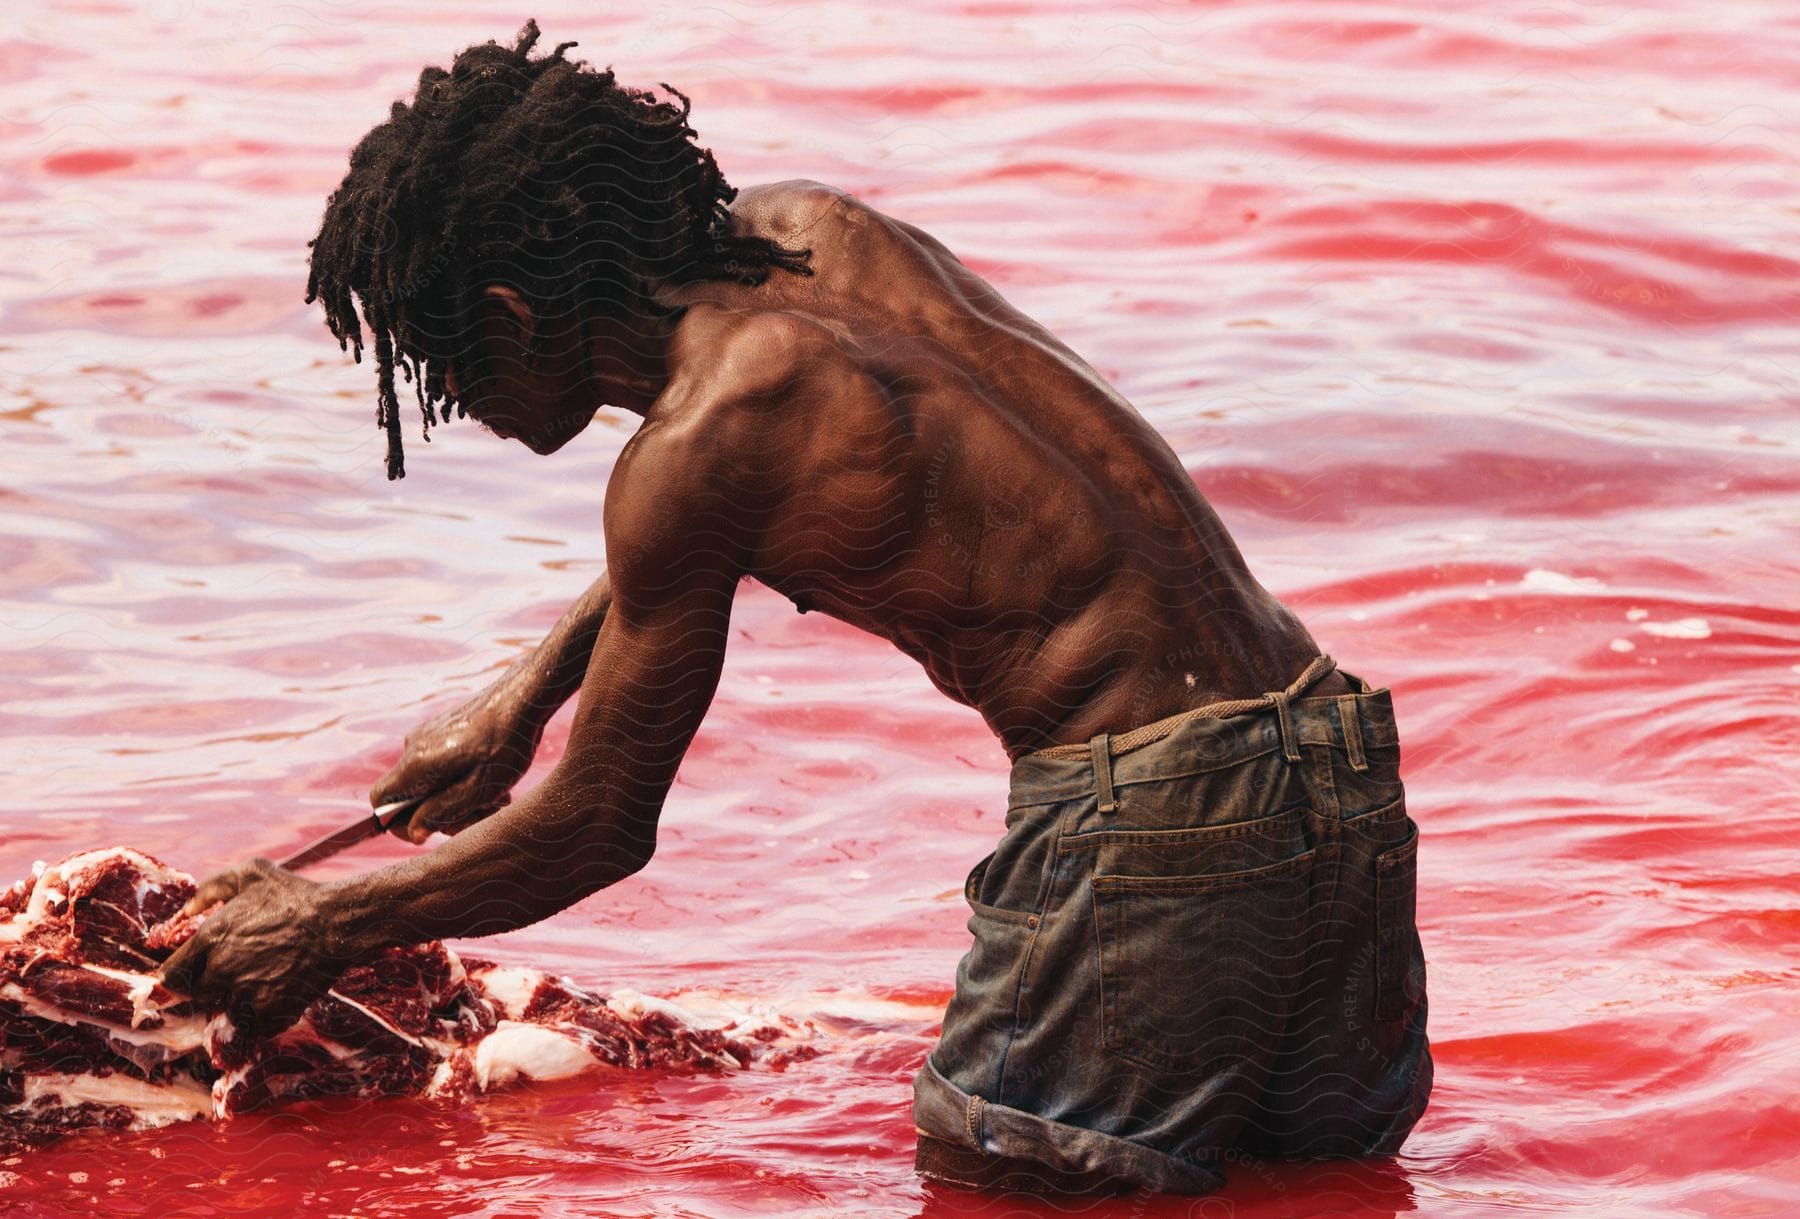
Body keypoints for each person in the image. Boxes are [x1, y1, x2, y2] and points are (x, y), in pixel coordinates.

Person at [159, 21, 1431, 1195]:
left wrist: (326, 919)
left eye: (437, 366)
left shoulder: (694, 452)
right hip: (1333, 762)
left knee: (1003, 1189)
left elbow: (599, 828)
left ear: (511, 314)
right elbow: (744, 477)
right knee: (1310, 1197)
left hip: (1150, 822)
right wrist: (524, 699)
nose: (454, 406)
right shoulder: (809, 233)